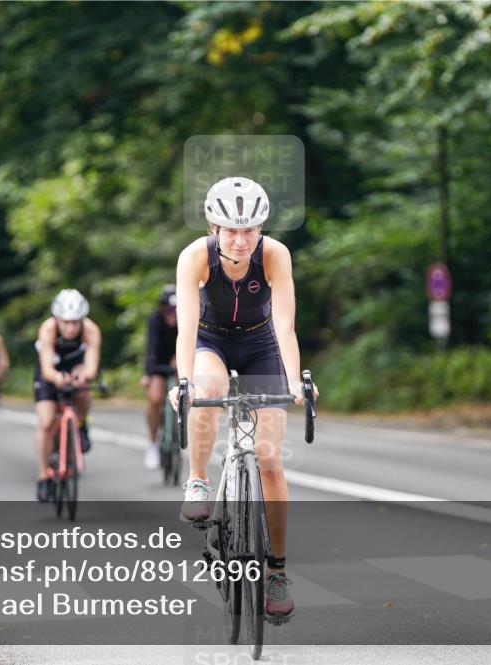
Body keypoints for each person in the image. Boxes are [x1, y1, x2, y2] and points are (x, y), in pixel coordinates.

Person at [170, 176, 319, 622]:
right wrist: (184, 383)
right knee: (209, 388)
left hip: (260, 344)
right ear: (213, 228)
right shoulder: (195, 257)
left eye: (249, 230)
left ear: (262, 229)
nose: (240, 240)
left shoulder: (275, 255)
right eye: (230, 230)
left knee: (270, 459)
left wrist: (294, 381)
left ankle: (277, 572)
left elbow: (285, 325)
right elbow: (187, 328)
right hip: (211, 341)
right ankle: (198, 479)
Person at [33, 289, 101, 502]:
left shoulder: (91, 330)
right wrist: (56, 378)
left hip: (76, 366)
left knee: (84, 388)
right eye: (65, 322)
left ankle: (81, 424)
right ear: (57, 319)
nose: (70, 328)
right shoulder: (48, 329)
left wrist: (83, 376)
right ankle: (43, 475)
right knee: (46, 422)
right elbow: (46, 368)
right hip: (51, 370)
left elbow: (91, 366)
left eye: (75, 322)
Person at [140, 284, 178, 469]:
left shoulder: (188, 317)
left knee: (188, 393)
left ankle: (180, 430)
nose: (173, 314)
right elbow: (151, 348)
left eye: (176, 309)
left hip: (180, 363)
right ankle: (153, 442)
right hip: (159, 364)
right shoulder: (156, 319)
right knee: (154, 398)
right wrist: (147, 373)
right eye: (169, 309)